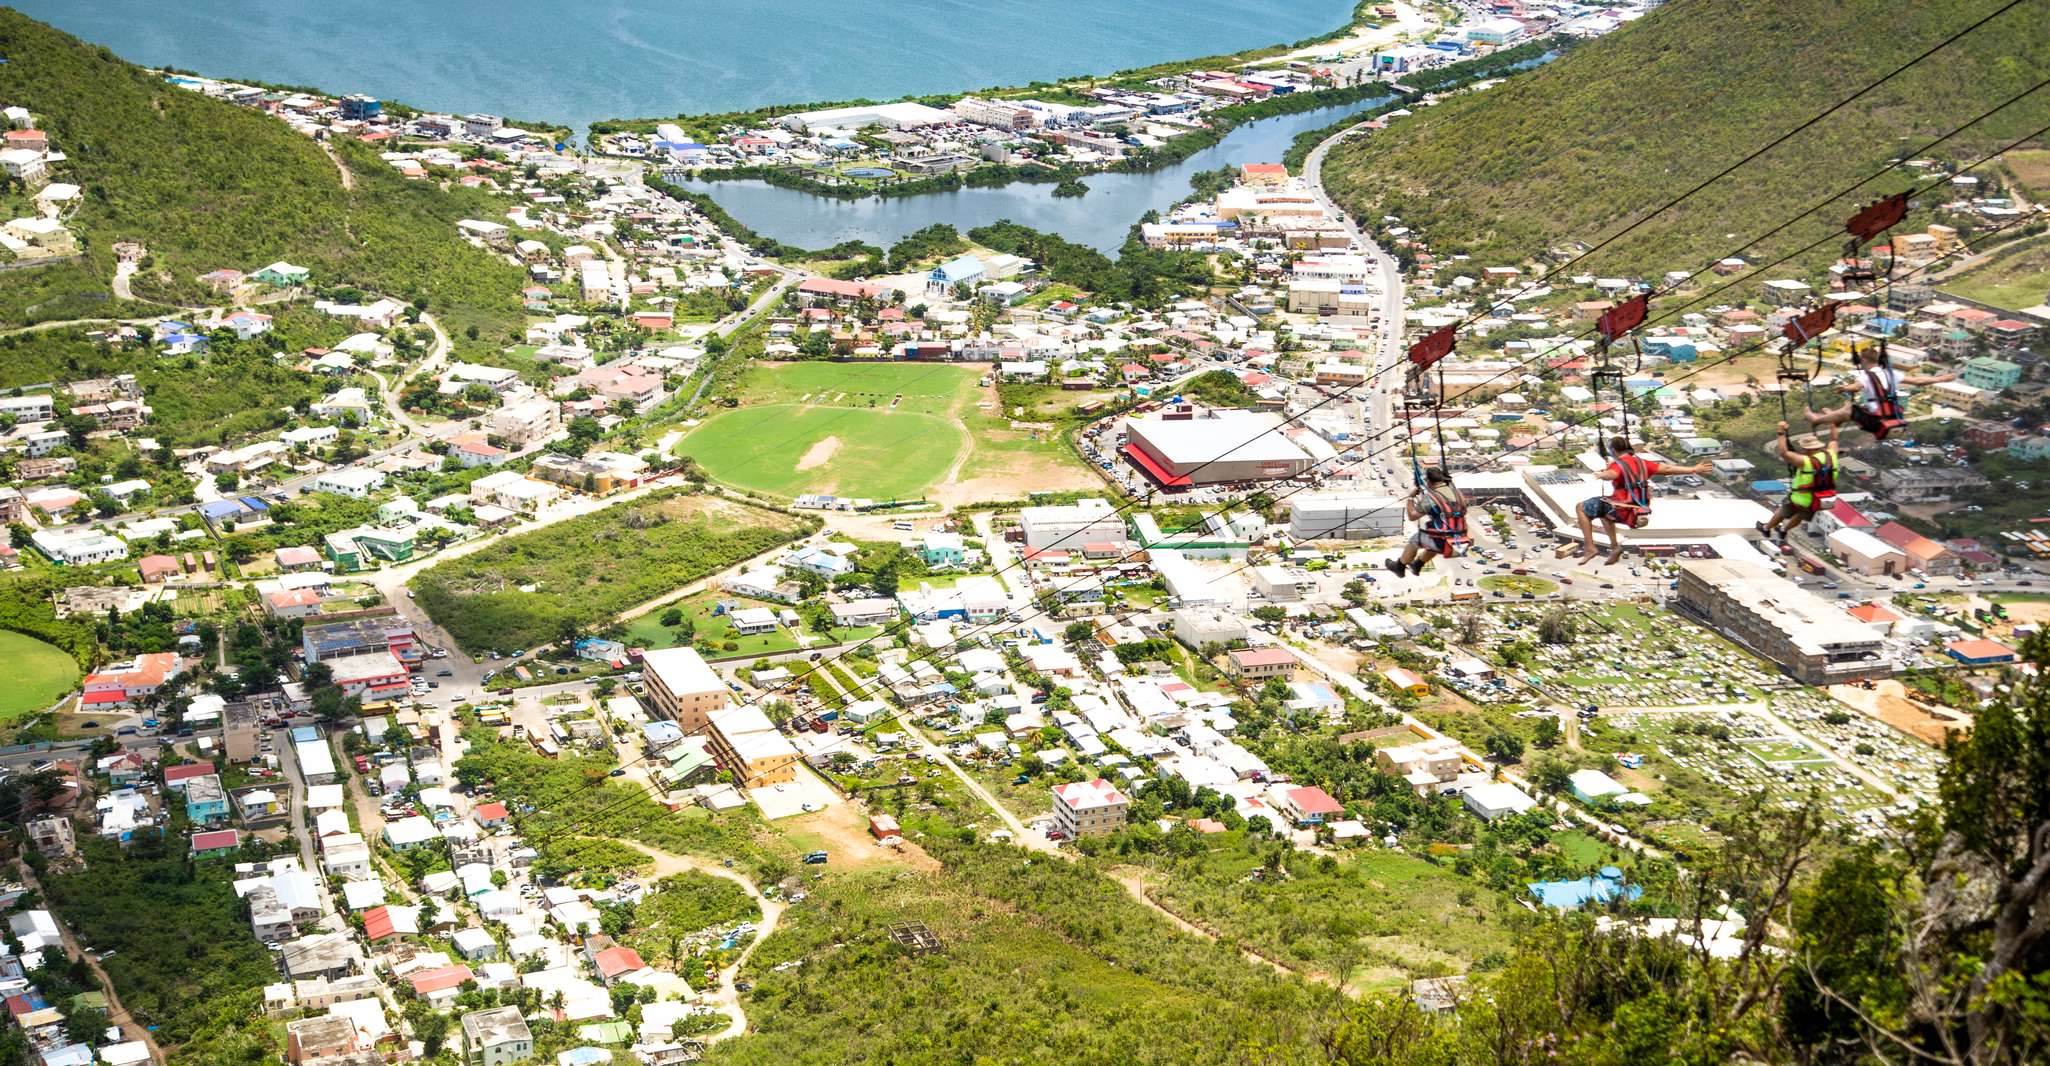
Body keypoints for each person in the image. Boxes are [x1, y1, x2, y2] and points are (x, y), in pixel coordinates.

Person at [1557, 436, 1712, 565]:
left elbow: (1612, 474)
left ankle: (1590, 547)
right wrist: (1693, 469)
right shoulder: (1643, 463)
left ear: (1615, 451)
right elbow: (1667, 469)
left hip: (1624, 509)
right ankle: (1614, 547)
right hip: (1638, 511)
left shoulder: (1618, 464)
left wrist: (1602, 474)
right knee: (1604, 511)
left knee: (1581, 508)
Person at [1806, 343, 1955, 438]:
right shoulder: (1891, 373)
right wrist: (1941, 379)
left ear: (1864, 361)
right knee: (1851, 408)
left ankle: (1817, 420)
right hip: (1894, 418)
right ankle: (1835, 419)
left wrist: (1845, 387)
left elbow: (1856, 387)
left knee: (1849, 410)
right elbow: (1918, 381)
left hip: (1878, 422)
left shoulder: (1866, 376)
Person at [1758, 420, 1839, 543]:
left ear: (1807, 449)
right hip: (1821, 500)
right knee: (1801, 515)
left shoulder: (1806, 461)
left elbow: (1784, 453)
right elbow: (1834, 440)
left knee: (1782, 512)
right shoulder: (1831, 455)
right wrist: (1833, 424)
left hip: (1801, 499)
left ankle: (1766, 528)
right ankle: (1784, 530)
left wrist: (1781, 432)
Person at [1386, 467, 1468, 578]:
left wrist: (1411, 498)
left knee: (1416, 540)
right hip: (1461, 538)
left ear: (1428, 481)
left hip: (1444, 539)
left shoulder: (1431, 497)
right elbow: (1463, 510)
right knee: (1432, 539)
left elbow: (1412, 516)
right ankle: (1417, 564)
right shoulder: (1458, 493)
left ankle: (1399, 567)